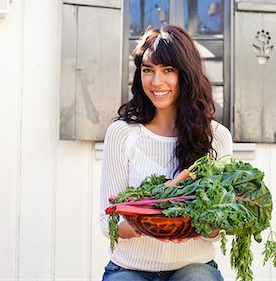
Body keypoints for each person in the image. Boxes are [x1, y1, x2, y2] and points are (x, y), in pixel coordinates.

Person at [99, 25, 233, 281]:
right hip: (129, 267)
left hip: (194, 265)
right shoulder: (122, 133)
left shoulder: (216, 137)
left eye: (168, 70)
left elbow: (216, 230)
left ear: (186, 74)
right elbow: (109, 223)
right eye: (148, 70)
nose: (156, 82)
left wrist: (212, 223)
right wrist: (148, 222)